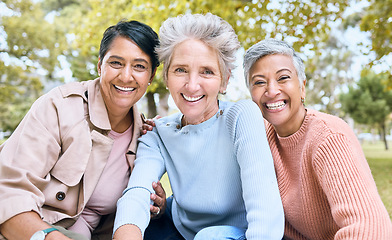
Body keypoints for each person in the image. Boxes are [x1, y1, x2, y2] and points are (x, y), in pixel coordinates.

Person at [113, 13, 284, 240]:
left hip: (239, 233)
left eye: (207, 71)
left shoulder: (242, 116)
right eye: (181, 70)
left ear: (224, 80)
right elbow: (137, 193)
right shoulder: (158, 132)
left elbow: (265, 211)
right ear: (166, 76)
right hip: (182, 231)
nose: (192, 85)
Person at [0, 20, 166, 240]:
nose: (126, 76)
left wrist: (156, 207)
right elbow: (9, 193)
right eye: (116, 63)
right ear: (100, 66)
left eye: (139, 66)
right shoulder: (59, 107)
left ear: (151, 76)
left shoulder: (144, 136)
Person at [243, 39, 392, 239]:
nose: (271, 91)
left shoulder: (329, 137)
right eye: (259, 82)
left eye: (283, 78)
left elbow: (370, 229)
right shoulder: (256, 135)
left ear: (302, 87)